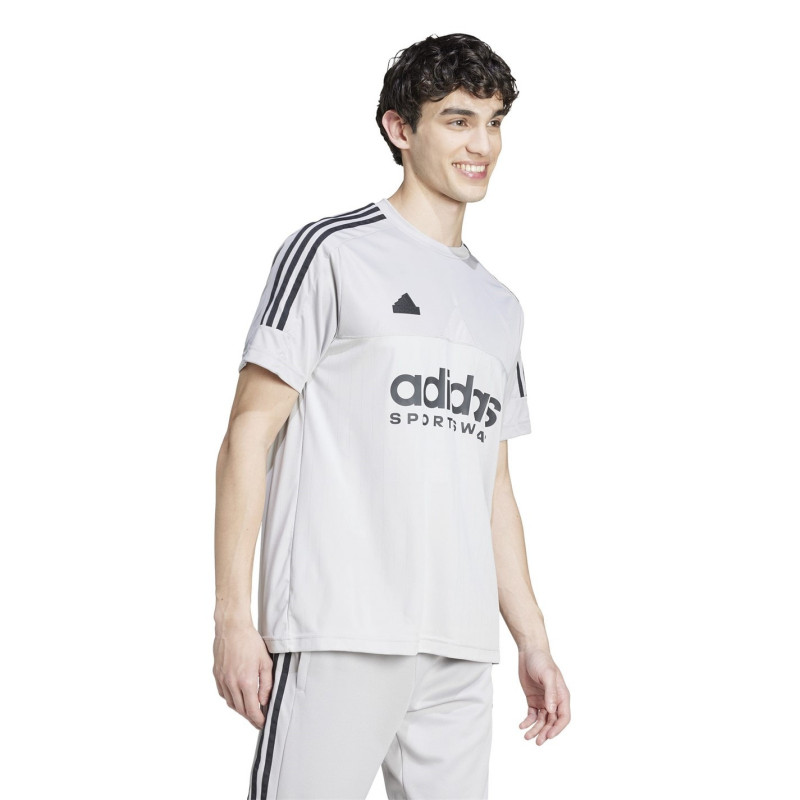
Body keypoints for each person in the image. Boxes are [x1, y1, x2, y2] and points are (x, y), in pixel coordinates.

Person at [213, 32, 571, 800]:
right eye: (458, 120)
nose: (482, 145)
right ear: (399, 128)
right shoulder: (332, 252)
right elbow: (248, 432)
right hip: (340, 628)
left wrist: (533, 640)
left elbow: (494, 487)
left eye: (495, 122)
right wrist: (233, 619)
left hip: (459, 647)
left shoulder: (499, 305)